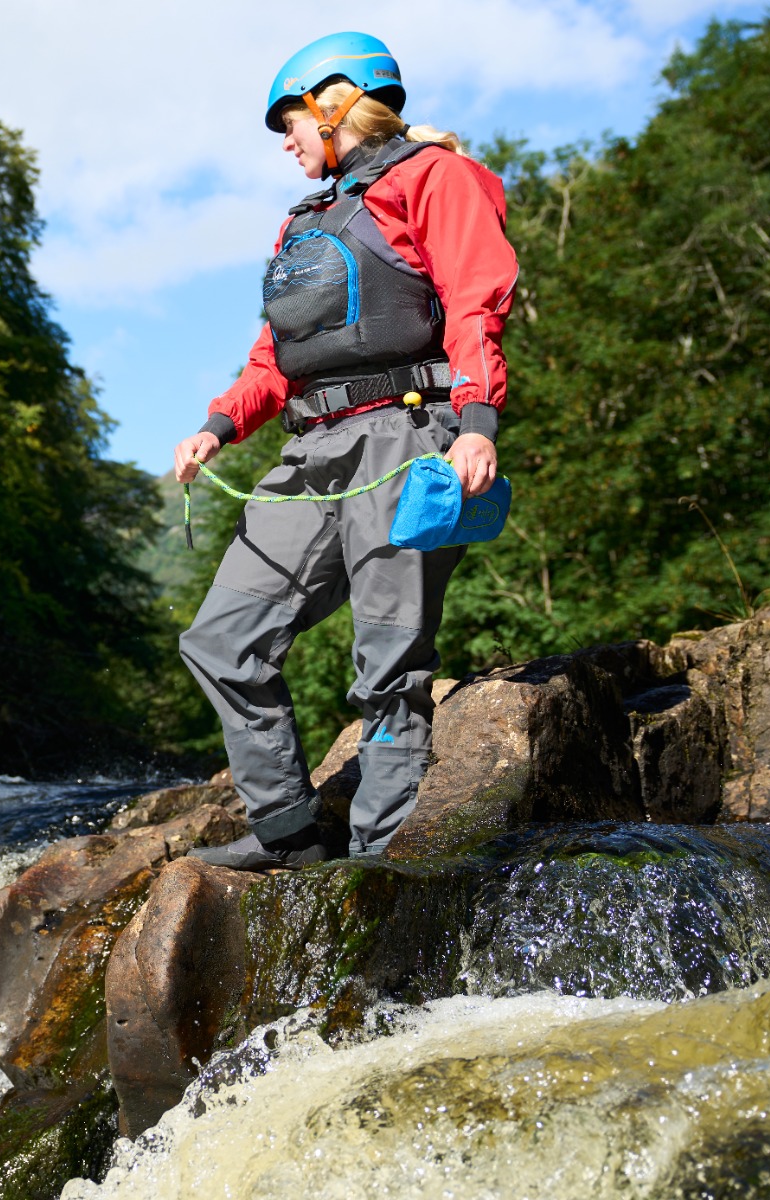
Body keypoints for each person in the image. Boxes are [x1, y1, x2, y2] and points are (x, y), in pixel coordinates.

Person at [176, 31, 518, 871]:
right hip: (309, 454)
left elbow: (476, 301)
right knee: (221, 640)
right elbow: (273, 359)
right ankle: (289, 832)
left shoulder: (436, 178)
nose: (286, 141)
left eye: (289, 121)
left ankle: (379, 870)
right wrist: (218, 427)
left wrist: (477, 422)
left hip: (406, 439)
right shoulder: (303, 223)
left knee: (389, 660)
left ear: (334, 104)